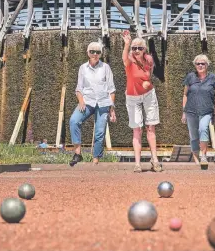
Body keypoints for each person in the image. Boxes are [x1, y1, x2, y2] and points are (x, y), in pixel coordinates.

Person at [69, 41, 116, 166]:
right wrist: (81, 101)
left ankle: (95, 160)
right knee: (74, 120)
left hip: (103, 103)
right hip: (87, 102)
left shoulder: (105, 67)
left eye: (98, 52)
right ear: (88, 53)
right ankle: (78, 154)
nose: (95, 54)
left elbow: (111, 89)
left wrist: (112, 109)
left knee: (100, 132)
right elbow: (79, 88)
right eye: (92, 52)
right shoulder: (83, 68)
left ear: (101, 54)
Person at [122, 30, 162, 173]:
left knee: (151, 127)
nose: (137, 50)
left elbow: (148, 78)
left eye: (140, 48)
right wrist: (127, 44)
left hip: (148, 95)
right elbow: (124, 57)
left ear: (145, 49)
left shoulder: (149, 60)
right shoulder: (129, 60)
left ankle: (155, 160)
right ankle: (137, 164)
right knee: (136, 129)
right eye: (134, 48)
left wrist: (147, 83)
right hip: (132, 97)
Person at [181, 54, 215, 167]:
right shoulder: (190, 77)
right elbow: (185, 95)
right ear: (195, 65)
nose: (200, 65)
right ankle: (196, 159)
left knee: (203, 129)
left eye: (203, 63)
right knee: (193, 136)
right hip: (190, 111)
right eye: (198, 63)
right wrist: (184, 112)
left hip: (206, 110)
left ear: (207, 65)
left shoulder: (213, 78)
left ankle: (203, 156)